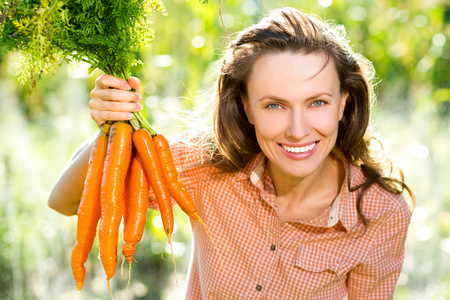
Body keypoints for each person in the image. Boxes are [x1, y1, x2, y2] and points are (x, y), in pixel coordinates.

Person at [48, 7, 415, 299]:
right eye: (275, 106)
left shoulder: (381, 214)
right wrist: (112, 129)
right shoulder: (207, 164)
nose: (299, 129)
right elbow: (65, 202)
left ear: (342, 104)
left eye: (317, 102)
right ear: (246, 108)